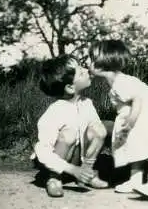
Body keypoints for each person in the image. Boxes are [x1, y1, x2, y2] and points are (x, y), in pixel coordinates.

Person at [88, 39, 148, 201]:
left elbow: (138, 100)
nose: (89, 64)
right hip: (139, 116)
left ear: (102, 63)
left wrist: (131, 122)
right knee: (136, 148)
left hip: (146, 115)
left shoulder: (121, 82)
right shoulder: (116, 82)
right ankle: (135, 180)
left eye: (92, 60)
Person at [31, 55, 109, 198]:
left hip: (79, 158)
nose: (86, 70)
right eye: (80, 72)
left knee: (98, 128)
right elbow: (42, 151)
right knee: (69, 134)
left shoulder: (87, 103)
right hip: (57, 162)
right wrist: (72, 169)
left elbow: (96, 135)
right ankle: (54, 178)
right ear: (70, 87)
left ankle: (86, 173)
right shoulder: (55, 111)